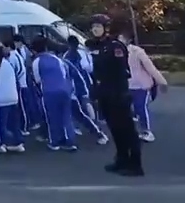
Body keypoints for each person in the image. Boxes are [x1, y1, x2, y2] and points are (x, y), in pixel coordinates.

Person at [93, 15, 143, 176]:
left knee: (127, 130)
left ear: (106, 28)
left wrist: (120, 94)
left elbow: (122, 72)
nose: (95, 29)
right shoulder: (99, 46)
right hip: (105, 94)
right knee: (115, 130)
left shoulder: (115, 46)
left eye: (98, 26)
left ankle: (135, 165)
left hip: (118, 94)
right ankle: (121, 159)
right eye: (93, 27)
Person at [30, 36, 76, 151]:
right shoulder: (56, 59)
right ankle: (69, 141)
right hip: (64, 89)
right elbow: (64, 73)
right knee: (66, 116)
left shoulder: (37, 61)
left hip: (48, 92)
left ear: (34, 50)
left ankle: (55, 142)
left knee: (51, 117)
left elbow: (37, 79)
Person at [63, 36, 108, 145]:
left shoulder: (67, 57)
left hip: (76, 87)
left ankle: (96, 130)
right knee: (85, 107)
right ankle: (95, 127)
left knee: (83, 109)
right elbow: (88, 69)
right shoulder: (80, 54)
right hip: (84, 84)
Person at [124, 34, 167, 143]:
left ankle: (147, 131)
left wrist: (162, 82)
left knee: (141, 108)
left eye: (122, 38)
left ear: (128, 39)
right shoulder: (114, 52)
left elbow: (151, 68)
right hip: (125, 85)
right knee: (126, 110)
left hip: (141, 85)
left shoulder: (137, 52)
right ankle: (130, 131)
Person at [0, 40, 26, 153]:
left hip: (1, 98)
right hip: (13, 96)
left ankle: (1, 143)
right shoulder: (8, 63)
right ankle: (17, 143)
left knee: (1, 123)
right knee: (14, 123)